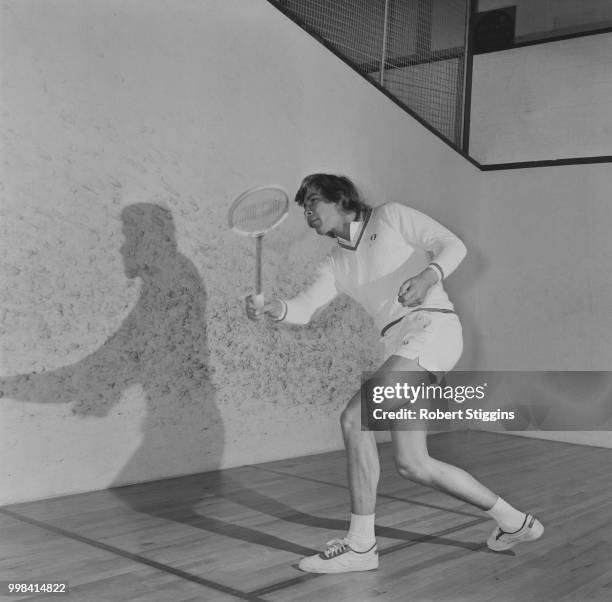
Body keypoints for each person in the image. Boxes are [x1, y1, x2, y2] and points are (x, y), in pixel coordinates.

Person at [245, 173, 543, 573]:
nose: (308, 213)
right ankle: (514, 521)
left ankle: (361, 546)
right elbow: (304, 307)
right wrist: (274, 309)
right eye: (303, 207)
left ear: (341, 199)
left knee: (355, 420)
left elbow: (452, 245)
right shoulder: (335, 262)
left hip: (430, 329)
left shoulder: (390, 217)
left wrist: (427, 276)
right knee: (414, 464)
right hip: (400, 345)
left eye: (313, 201)